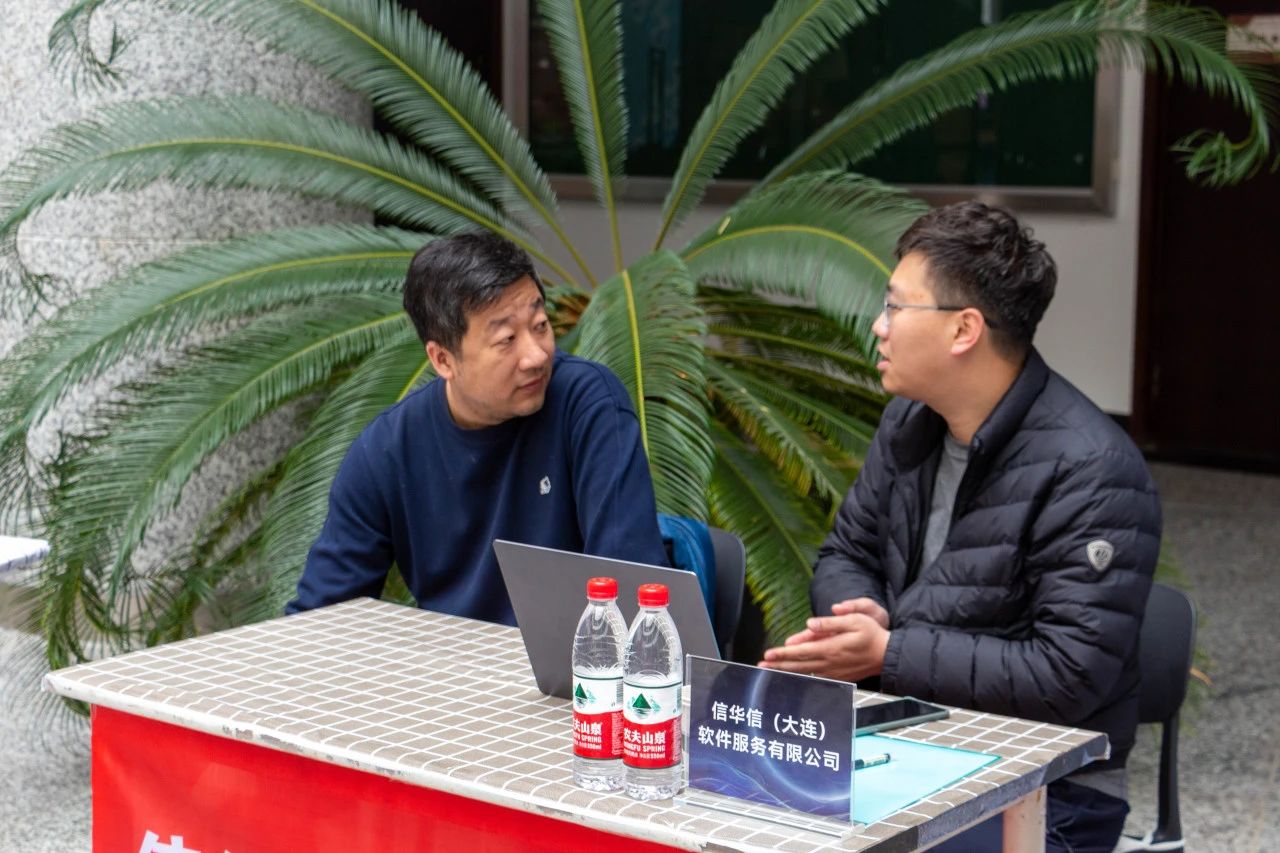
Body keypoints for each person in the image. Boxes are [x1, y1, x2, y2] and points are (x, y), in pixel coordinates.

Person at [760, 202, 1160, 852]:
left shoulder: (1093, 469)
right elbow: (846, 552)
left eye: (895, 307)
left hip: (1051, 784)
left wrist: (889, 652)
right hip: (908, 740)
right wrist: (858, 612)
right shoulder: (910, 422)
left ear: (963, 329)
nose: (878, 326)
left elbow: (1067, 675)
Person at [287, 232, 668, 624]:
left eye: (540, 325)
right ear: (442, 359)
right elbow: (319, 618)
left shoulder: (588, 404)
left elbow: (631, 590)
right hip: (448, 657)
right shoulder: (388, 451)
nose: (536, 356)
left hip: (577, 657)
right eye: (507, 339)